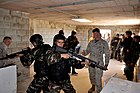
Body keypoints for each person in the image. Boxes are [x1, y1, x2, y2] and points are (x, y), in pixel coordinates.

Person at [82, 28, 110, 93]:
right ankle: (93, 86)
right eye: (94, 34)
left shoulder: (104, 43)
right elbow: (88, 50)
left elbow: (107, 54)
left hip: (99, 63)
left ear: (99, 34)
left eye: (97, 34)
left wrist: (106, 64)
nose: (95, 35)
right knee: (91, 76)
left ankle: (99, 90)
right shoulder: (91, 42)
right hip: (90, 62)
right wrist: (85, 53)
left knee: (98, 78)